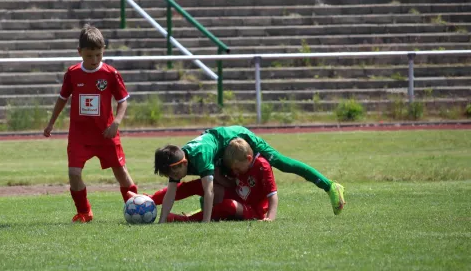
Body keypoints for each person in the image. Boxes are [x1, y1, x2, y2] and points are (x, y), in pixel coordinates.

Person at [153, 125, 345, 223]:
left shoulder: (200, 157)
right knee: (208, 185)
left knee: (281, 162)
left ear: (183, 164)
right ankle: (148, 200)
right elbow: (172, 190)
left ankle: (330, 185)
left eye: (172, 173)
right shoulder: (177, 162)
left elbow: (209, 191)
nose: (173, 176)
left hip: (240, 140)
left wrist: (205, 224)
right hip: (222, 152)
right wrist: (160, 220)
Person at [43, 25, 138, 223]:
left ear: (103, 51)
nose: (94, 60)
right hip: (79, 136)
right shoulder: (73, 73)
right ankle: (84, 211)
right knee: (74, 174)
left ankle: (136, 207)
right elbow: (62, 98)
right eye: (89, 56)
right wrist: (51, 123)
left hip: (106, 133)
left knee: (121, 172)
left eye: (98, 55)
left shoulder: (110, 74)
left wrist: (116, 123)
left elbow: (123, 101)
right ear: (80, 52)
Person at [140, 137, 278, 223]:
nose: (234, 172)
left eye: (236, 169)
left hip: (253, 209)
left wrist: (269, 219)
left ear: (248, 158)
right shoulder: (240, 163)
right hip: (237, 195)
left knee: (228, 205)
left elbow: (273, 195)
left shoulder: (262, 166)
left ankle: (186, 219)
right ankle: (148, 200)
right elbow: (232, 183)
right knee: (197, 185)